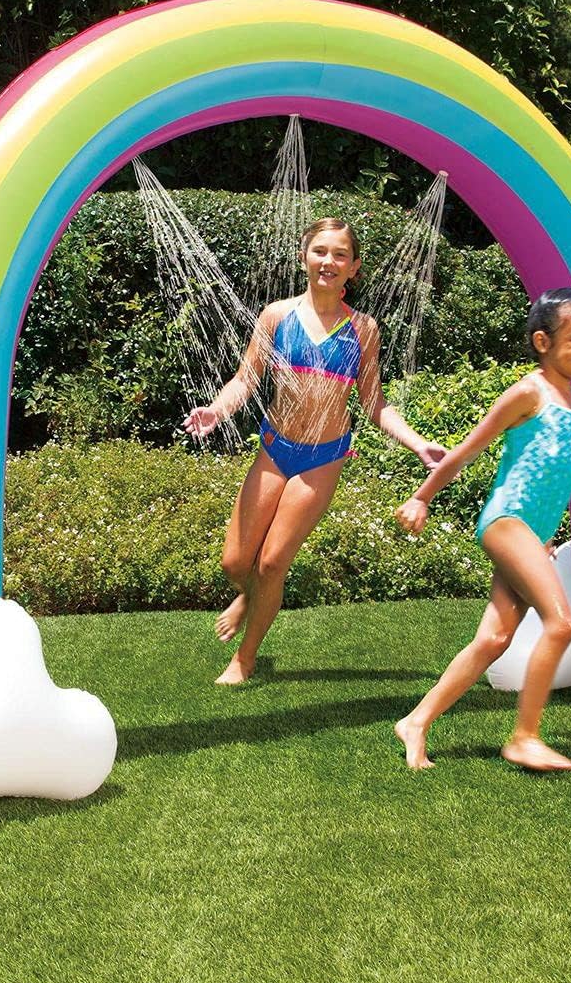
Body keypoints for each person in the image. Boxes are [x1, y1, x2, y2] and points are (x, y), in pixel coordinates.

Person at [182, 217, 443, 685]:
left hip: (323, 456)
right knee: (235, 564)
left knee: (272, 563)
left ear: (353, 267)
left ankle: (244, 659)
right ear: (305, 256)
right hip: (275, 449)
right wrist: (217, 411)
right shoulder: (276, 316)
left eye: (340, 255)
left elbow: (374, 403)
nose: (329, 261)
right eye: (320, 251)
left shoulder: (363, 329)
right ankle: (248, 594)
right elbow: (245, 379)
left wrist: (417, 442)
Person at [393, 286, 571, 773]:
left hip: (529, 532)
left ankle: (415, 722)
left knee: (494, 639)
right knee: (562, 624)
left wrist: (544, 536)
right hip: (506, 520)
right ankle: (524, 737)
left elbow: (555, 482)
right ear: (543, 342)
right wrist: (421, 497)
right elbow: (466, 451)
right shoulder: (529, 393)